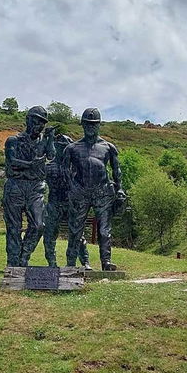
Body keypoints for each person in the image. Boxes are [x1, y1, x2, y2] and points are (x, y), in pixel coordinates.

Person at [62, 108, 125, 271]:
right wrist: (71, 187)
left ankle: (106, 262)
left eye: (94, 124)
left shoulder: (108, 147)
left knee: (104, 230)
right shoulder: (72, 148)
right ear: (82, 124)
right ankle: (71, 263)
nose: (91, 127)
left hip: (102, 192)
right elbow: (64, 170)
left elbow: (116, 170)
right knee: (75, 229)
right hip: (80, 192)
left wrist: (120, 189)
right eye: (88, 124)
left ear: (99, 125)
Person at [2, 106, 54, 267]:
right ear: (28, 120)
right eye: (37, 122)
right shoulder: (13, 140)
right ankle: (13, 263)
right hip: (15, 186)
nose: (40, 126)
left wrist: (50, 139)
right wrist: (31, 164)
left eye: (42, 124)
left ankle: (24, 255)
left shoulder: (43, 141)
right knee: (14, 227)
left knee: (39, 225)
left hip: (35, 188)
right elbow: (11, 162)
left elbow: (51, 155)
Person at [43, 134, 91, 269]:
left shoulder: (76, 168)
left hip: (71, 204)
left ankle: (85, 262)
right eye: (61, 146)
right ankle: (52, 263)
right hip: (54, 204)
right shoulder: (48, 167)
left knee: (78, 235)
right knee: (49, 234)